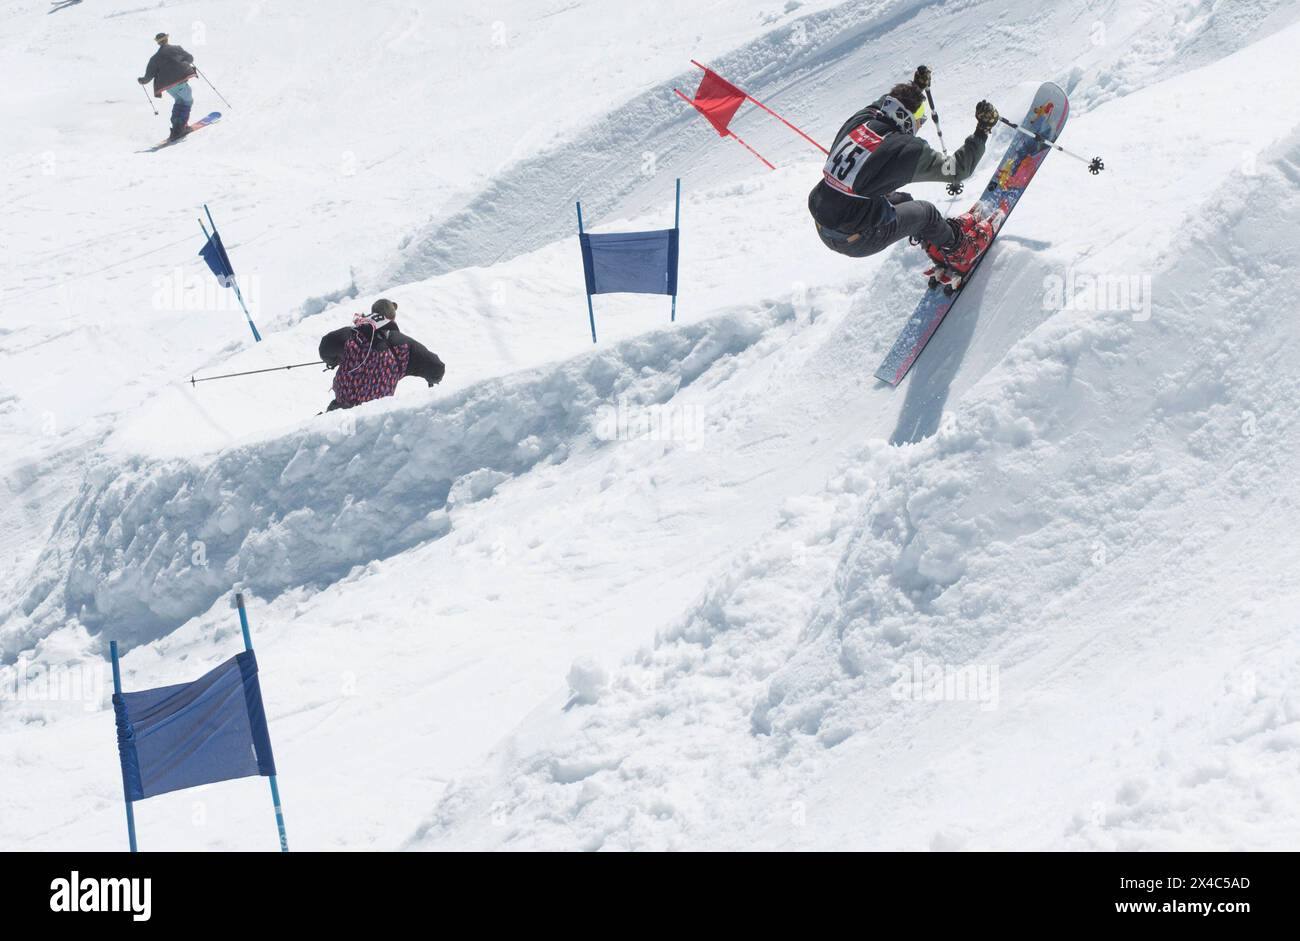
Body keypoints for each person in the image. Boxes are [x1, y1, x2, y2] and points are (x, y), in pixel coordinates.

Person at [808, 66, 1000, 273]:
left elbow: (885, 102)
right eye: (919, 121)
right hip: (856, 239)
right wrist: (982, 131)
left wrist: (915, 88)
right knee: (927, 212)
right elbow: (957, 170)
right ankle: (960, 253)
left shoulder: (862, 119)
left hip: (827, 222)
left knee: (904, 201)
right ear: (909, 120)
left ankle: (939, 242)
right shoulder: (905, 150)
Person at [319, 299, 446, 411]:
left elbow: (325, 347)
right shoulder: (403, 345)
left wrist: (335, 360)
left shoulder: (351, 334)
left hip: (340, 409)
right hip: (374, 418)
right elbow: (437, 368)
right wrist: (431, 379)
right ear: (392, 318)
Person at [138, 32, 197, 141]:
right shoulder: (177, 49)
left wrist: (142, 80)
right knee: (187, 101)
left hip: (168, 87)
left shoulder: (154, 58)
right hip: (180, 82)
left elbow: (148, 76)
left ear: (157, 42)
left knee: (179, 101)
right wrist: (182, 63)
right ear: (167, 39)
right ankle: (182, 127)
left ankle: (176, 128)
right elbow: (190, 58)